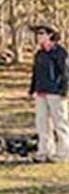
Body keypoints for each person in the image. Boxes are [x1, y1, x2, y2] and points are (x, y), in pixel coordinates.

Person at [29, 24, 69, 162]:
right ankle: (44, 151)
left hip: (56, 92)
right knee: (42, 123)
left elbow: (65, 73)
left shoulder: (60, 52)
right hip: (41, 92)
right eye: (37, 34)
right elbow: (35, 73)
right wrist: (33, 89)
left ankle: (63, 153)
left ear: (50, 35)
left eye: (41, 33)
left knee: (60, 123)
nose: (38, 36)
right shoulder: (39, 54)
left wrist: (64, 90)